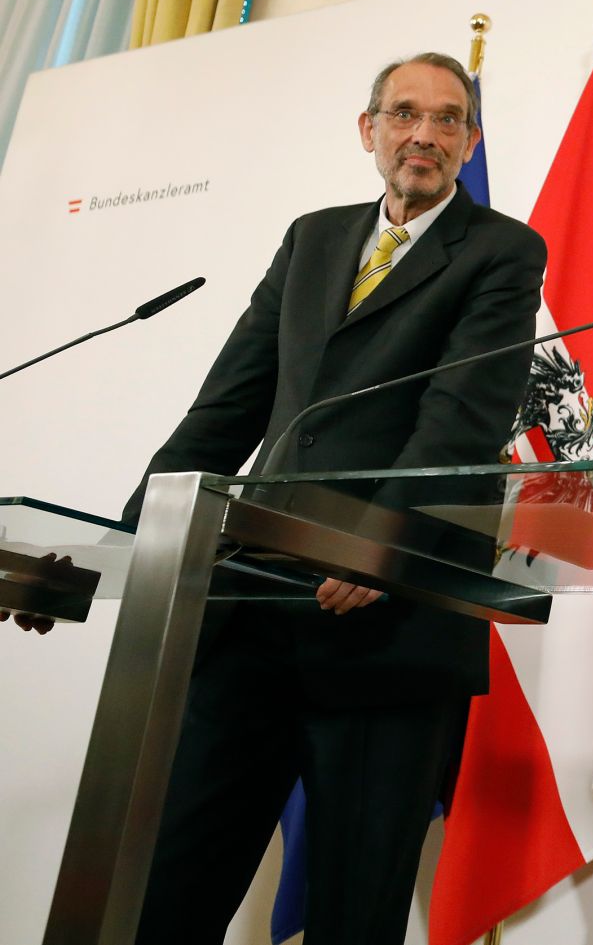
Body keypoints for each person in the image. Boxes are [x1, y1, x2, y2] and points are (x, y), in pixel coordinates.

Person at [120, 51, 546, 945]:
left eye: (447, 118)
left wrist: (375, 544)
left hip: (385, 621)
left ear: (471, 143)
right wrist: (130, 541)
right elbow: (229, 403)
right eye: (403, 114)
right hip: (255, 609)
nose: (423, 134)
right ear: (369, 130)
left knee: (355, 912)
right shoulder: (313, 237)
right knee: (165, 894)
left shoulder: (504, 252)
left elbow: (460, 422)